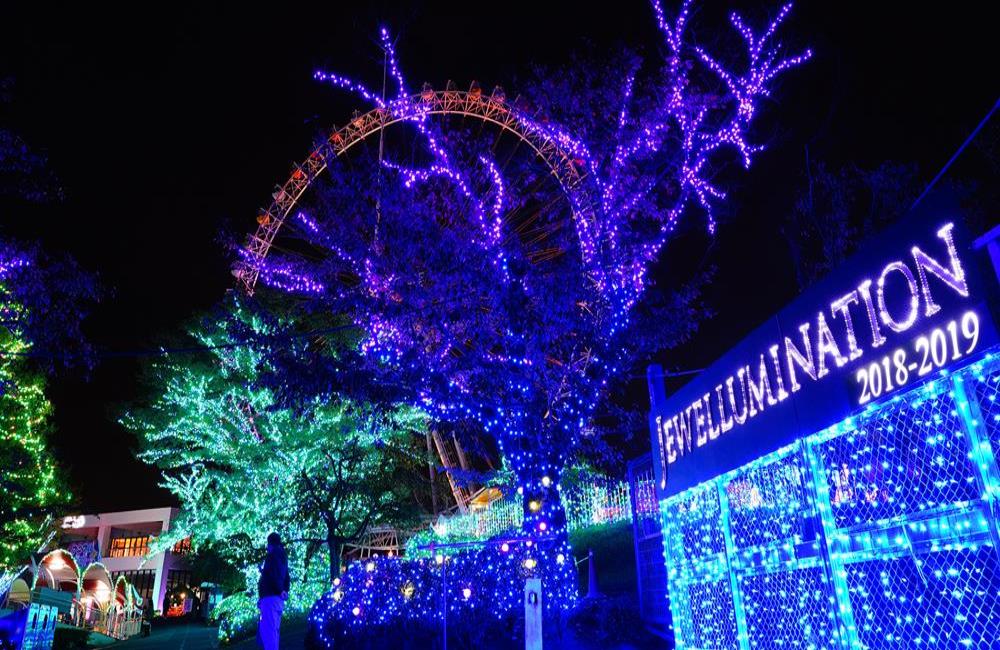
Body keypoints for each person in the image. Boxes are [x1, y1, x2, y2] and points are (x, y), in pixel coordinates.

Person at [257, 532, 290, 650]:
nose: (267, 547)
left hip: (270, 598)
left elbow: (273, 574)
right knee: (273, 632)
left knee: (269, 633)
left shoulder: (273, 555)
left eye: (267, 544)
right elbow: (286, 576)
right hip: (276, 598)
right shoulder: (283, 555)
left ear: (270, 543)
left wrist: (279, 590)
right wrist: (284, 590)